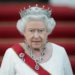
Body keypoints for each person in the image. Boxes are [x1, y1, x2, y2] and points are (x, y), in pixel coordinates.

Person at [0, 4, 73, 75]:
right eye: (31, 31)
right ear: (23, 31)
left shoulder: (60, 52)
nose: (36, 36)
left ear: (47, 31)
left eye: (41, 30)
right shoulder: (12, 54)